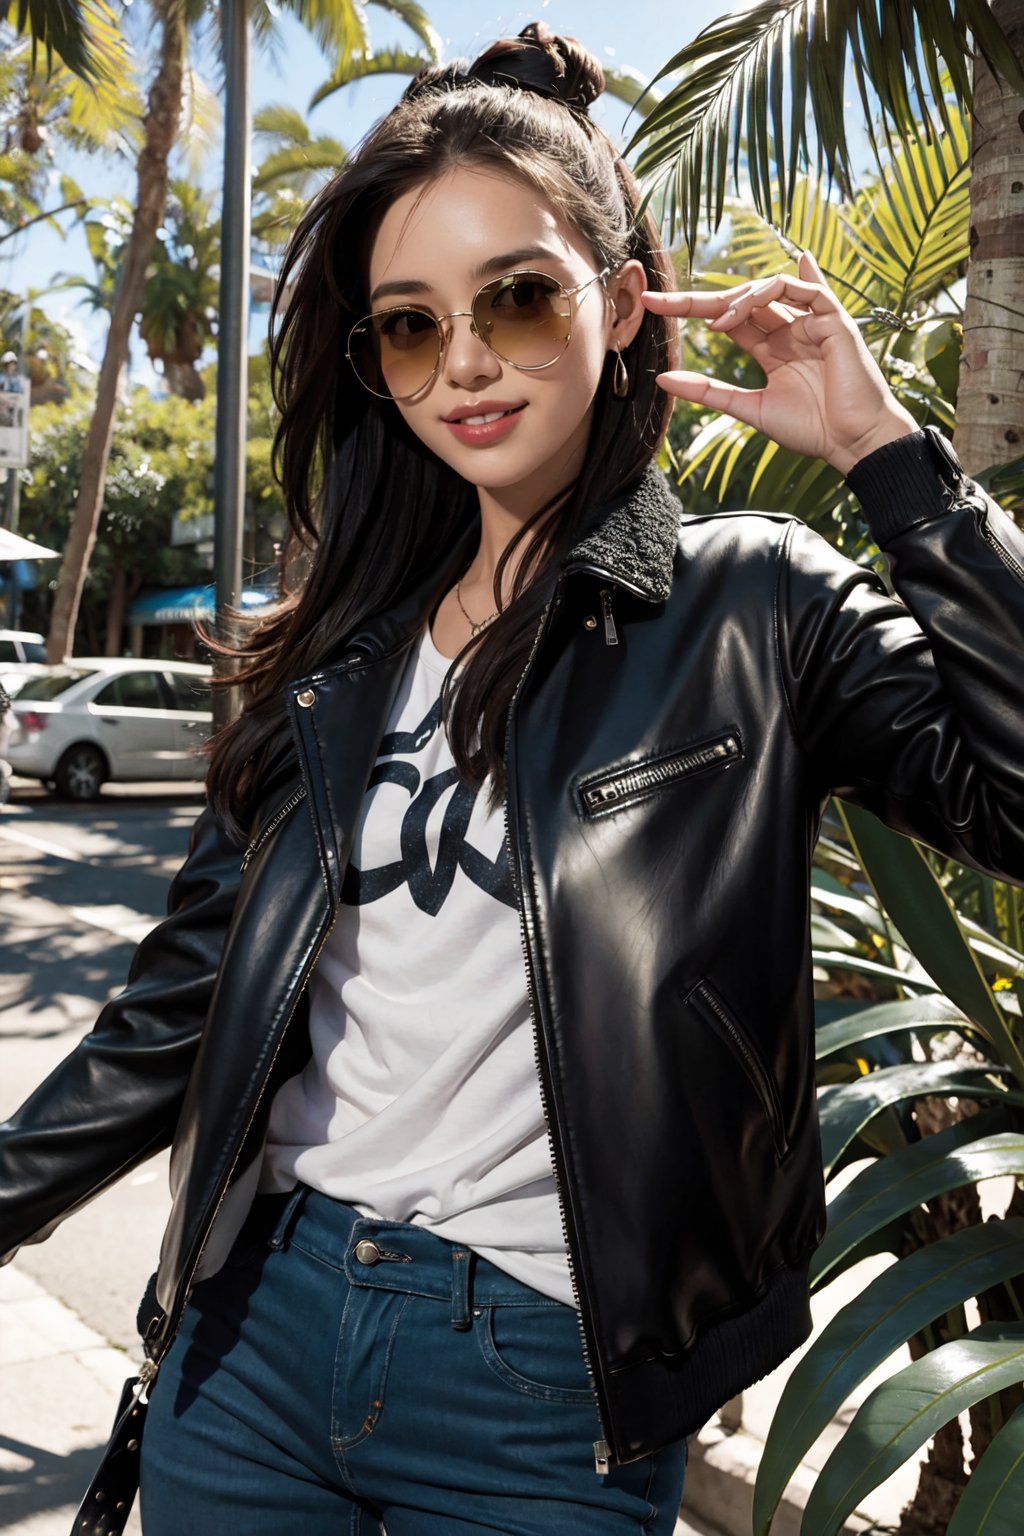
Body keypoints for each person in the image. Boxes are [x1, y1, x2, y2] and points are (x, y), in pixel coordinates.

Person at [2, 20, 1024, 1536]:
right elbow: (179, 1009)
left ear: (619, 305)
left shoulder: (749, 606)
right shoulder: (336, 653)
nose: (465, 361)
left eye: (519, 300)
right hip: (256, 1341)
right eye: (410, 327)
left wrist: (888, 456)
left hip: (545, 1393)